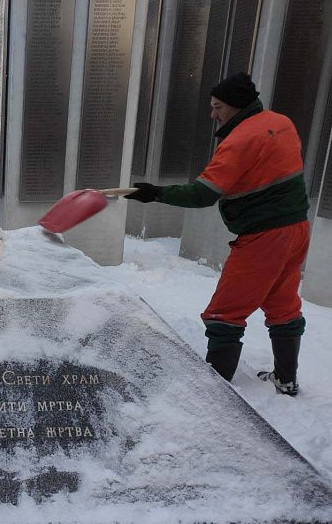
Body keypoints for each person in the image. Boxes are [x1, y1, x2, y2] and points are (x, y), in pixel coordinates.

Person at [126, 73, 309, 396]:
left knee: (225, 312)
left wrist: (155, 193)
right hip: (296, 229)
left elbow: (203, 194)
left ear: (236, 106)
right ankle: (286, 379)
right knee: (283, 304)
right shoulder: (281, 123)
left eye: (218, 106)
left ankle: (214, 398)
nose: (213, 114)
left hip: (263, 235)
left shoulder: (240, 140)